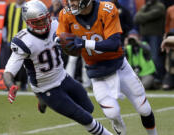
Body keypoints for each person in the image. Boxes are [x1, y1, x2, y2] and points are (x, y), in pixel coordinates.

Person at [3, 1, 113, 135]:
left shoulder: (55, 24)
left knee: (89, 108)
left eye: (44, 20)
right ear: (28, 22)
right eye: (38, 22)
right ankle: (43, 98)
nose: (43, 24)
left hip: (63, 77)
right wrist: (11, 86)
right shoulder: (23, 42)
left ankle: (43, 101)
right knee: (85, 118)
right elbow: (8, 72)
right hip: (46, 88)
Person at [56, 0, 158, 135]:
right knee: (112, 113)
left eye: (75, 0)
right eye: (70, 0)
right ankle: (117, 124)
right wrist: (63, 44)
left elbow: (114, 43)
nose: (71, 3)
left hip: (119, 66)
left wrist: (84, 43)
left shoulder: (107, 9)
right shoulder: (65, 15)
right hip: (96, 72)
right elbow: (61, 39)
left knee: (144, 108)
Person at [134, 0, 166, 85]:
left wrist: (142, 17)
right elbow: (136, 18)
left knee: (155, 57)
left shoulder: (160, 6)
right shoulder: (145, 6)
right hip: (144, 35)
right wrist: (143, 16)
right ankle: (148, 77)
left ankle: (158, 78)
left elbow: (148, 16)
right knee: (144, 58)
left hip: (155, 35)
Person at [1, 0, 28, 91]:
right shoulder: (10, 7)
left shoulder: (28, 7)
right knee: (9, 63)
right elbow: (5, 23)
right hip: (10, 40)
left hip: (24, 41)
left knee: (24, 63)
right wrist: (4, 37)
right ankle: (10, 84)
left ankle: (24, 84)